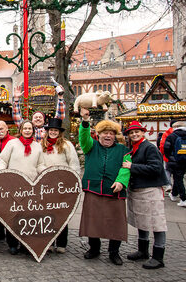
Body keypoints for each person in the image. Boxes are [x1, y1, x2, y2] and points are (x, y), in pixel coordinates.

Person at [78, 108, 130, 266]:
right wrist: (85, 122)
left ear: (115, 135)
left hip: (114, 191)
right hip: (93, 188)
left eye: (111, 133)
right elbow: (83, 136)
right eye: (105, 133)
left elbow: (126, 167)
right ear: (98, 134)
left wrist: (121, 181)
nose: (108, 136)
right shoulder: (90, 146)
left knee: (116, 223)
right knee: (92, 222)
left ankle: (114, 252)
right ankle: (94, 248)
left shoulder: (123, 150)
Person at [122, 121, 168, 269]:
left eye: (137, 132)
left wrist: (132, 166)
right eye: (131, 132)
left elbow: (156, 168)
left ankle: (158, 256)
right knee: (141, 220)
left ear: (143, 133)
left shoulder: (149, 147)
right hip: (138, 190)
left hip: (150, 190)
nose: (134, 134)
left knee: (156, 223)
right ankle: (143, 251)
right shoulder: (134, 148)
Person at [0, 120, 45, 254]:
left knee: (28, 216)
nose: (28, 131)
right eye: (25, 128)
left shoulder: (37, 146)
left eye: (30, 129)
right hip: (14, 184)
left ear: (33, 131)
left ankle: (26, 244)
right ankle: (12, 243)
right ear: (21, 130)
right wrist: (1, 173)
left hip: (30, 185)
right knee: (13, 215)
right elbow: (3, 160)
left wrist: (46, 172)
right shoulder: (12, 144)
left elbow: (40, 164)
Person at [41, 117, 80, 253]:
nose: (53, 132)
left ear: (59, 132)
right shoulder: (42, 145)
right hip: (46, 185)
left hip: (62, 184)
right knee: (47, 214)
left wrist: (72, 182)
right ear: (47, 131)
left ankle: (62, 243)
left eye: (55, 130)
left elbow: (74, 164)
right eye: (51, 130)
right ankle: (49, 242)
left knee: (62, 213)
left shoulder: (66, 145)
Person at [164, 121, 186, 207]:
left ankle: (184, 198)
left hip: (175, 161)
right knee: (179, 177)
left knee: (178, 179)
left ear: (175, 127)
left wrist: (171, 158)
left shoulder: (171, 136)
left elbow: (166, 149)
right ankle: (173, 194)